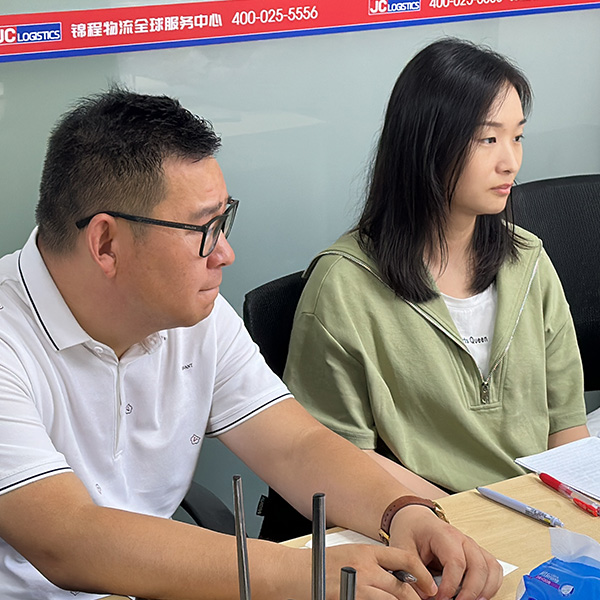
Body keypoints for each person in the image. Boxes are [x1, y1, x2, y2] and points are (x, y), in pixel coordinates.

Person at [0, 87, 502, 600]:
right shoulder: (8, 339)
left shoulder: (193, 313)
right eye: (204, 228)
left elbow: (293, 445)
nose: (225, 253)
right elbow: (68, 537)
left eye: (225, 220)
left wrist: (403, 512)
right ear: (106, 243)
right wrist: (304, 574)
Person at [283, 38, 589, 499]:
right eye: (488, 139)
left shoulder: (528, 260)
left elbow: (566, 427)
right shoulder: (343, 287)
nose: (511, 162)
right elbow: (341, 458)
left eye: (517, 137)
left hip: (538, 515)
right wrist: (460, 523)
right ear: (427, 144)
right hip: (423, 521)